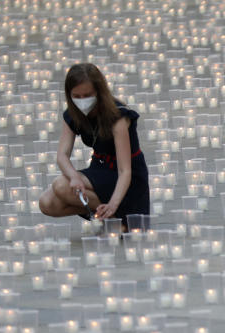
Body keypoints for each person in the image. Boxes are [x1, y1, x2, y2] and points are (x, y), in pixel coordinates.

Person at [38, 62, 149, 230]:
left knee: (61, 185)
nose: (82, 101)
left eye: (87, 95)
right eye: (77, 96)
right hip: (100, 168)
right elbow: (62, 155)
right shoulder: (73, 114)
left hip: (127, 175)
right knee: (47, 202)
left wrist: (112, 204)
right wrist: (74, 176)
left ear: (99, 92)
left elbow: (125, 171)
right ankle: (111, 217)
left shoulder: (118, 117)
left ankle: (117, 217)